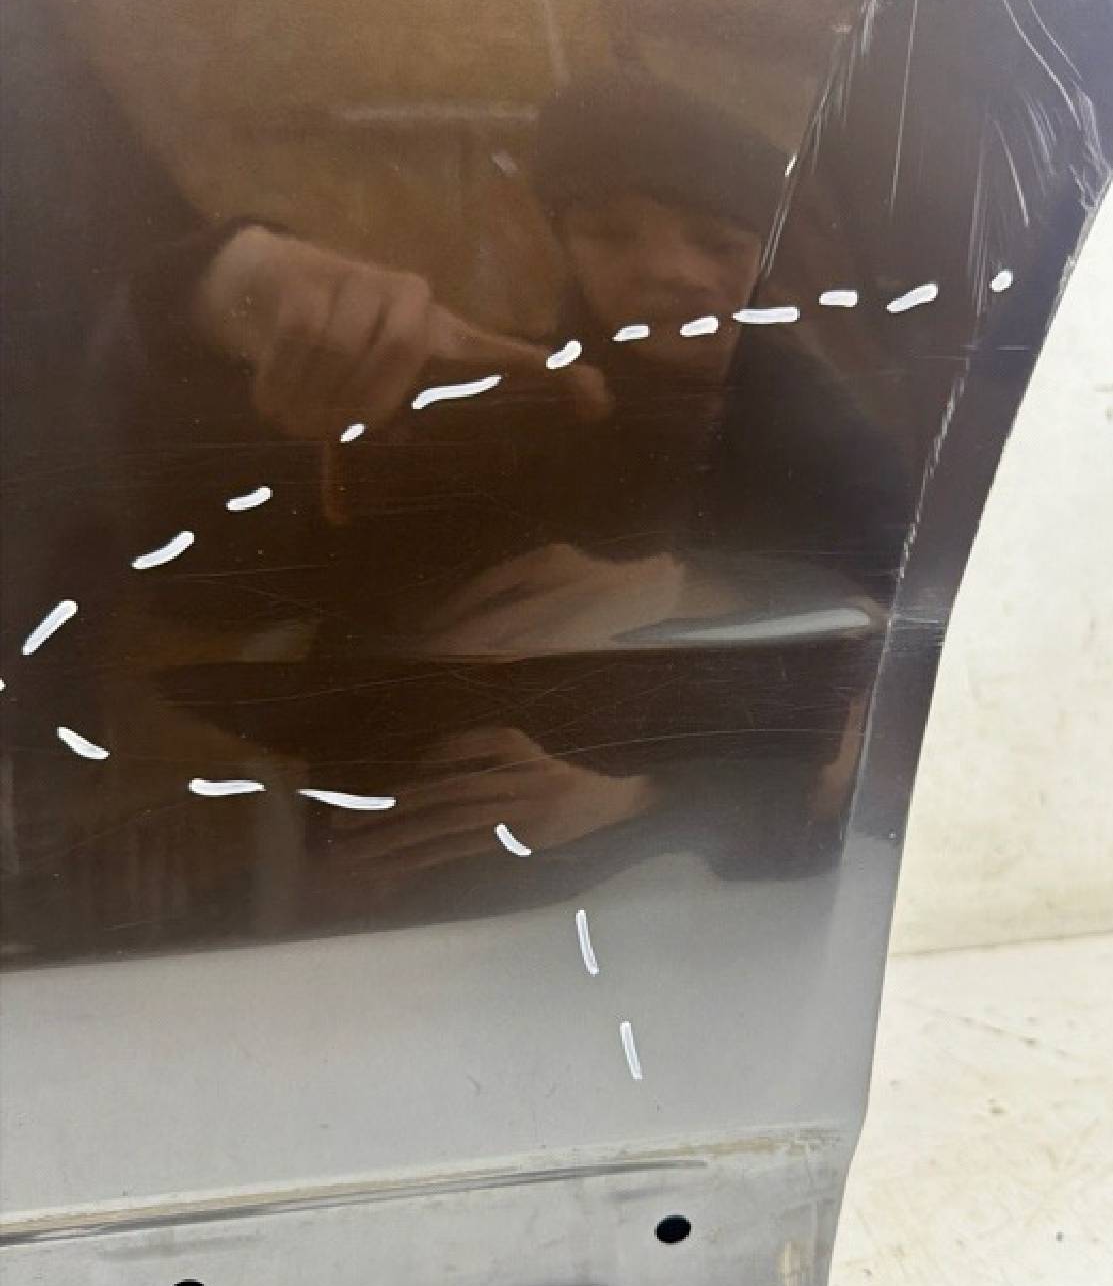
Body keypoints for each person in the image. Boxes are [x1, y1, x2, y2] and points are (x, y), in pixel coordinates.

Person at [30, 75, 911, 951]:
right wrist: (204, 301)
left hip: (729, 932)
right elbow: (203, 576)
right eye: (612, 233)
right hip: (406, 931)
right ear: (557, 240)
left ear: (767, 258)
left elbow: (911, 702)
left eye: (719, 242)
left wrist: (657, 765)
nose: (671, 270)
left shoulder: (829, 448)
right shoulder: (489, 405)